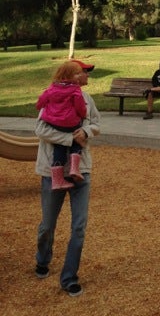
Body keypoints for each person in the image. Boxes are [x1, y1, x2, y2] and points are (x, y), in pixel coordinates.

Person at [35, 59, 100, 297]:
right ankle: (43, 258)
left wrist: (86, 131)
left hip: (81, 170)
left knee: (79, 227)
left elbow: (96, 124)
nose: (87, 77)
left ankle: (69, 277)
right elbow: (40, 130)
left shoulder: (86, 99)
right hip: (53, 170)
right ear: (73, 75)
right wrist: (70, 139)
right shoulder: (51, 95)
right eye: (84, 73)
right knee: (48, 225)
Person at [36, 61, 88, 190]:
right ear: (68, 75)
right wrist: (83, 115)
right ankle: (74, 168)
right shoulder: (76, 90)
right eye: (77, 74)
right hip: (70, 123)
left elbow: (41, 101)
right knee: (76, 140)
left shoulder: (52, 88)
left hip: (54, 123)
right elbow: (80, 107)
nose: (80, 76)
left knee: (59, 148)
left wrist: (40, 106)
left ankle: (57, 180)